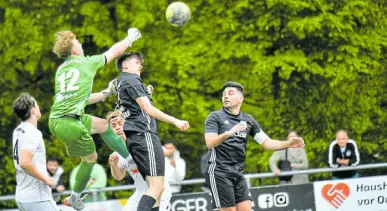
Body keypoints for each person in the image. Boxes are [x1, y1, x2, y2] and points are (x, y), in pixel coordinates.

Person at [48, 28, 142, 210]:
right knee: (91, 158)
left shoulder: (61, 70)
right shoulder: (86, 62)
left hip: (62, 118)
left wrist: (106, 93)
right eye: (78, 42)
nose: (82, 45)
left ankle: (130, 161)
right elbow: (114, 52)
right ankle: (75, 197)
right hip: (70, 122)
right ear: (74, 50)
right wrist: (130, 38)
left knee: (102, 125)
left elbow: (83, 98)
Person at [204, 81, 304, 211]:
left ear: (241, 98)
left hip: (238, 173)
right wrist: (228, 134)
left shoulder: (248, 120)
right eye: (223, 94)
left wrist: (288, 144)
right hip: (219, 171)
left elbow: (267, 143)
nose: (225, 96)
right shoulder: (215, 117)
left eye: (230, 93)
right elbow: (210, 142)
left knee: (247, 209)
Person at [115, 52, 190, 211]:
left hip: (135, 137)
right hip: (144, 135)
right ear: (125, 66)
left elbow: (135, 107)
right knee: (157, 186)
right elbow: (147, 109)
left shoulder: (122, 83)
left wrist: (147, 94)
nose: (140, 65)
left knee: (154, 190)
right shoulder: (131, 78)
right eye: (136, 62)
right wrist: (175, 120)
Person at [106, 110, 172, 211]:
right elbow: (119, 177)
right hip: (140, 192)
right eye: (114, 126)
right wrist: (113, 165)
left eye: (120, 123)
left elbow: (166, 152)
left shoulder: (141, 140)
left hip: (159, 190)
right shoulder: (117, 153)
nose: (118, 127)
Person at [12, 93, 59, 211]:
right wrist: (45, 178)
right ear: (33, 109)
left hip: (22, 196)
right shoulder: (32, 132)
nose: (39, 107)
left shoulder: (18, 130)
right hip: (37, 197)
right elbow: (25, 163)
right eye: (37, 105)